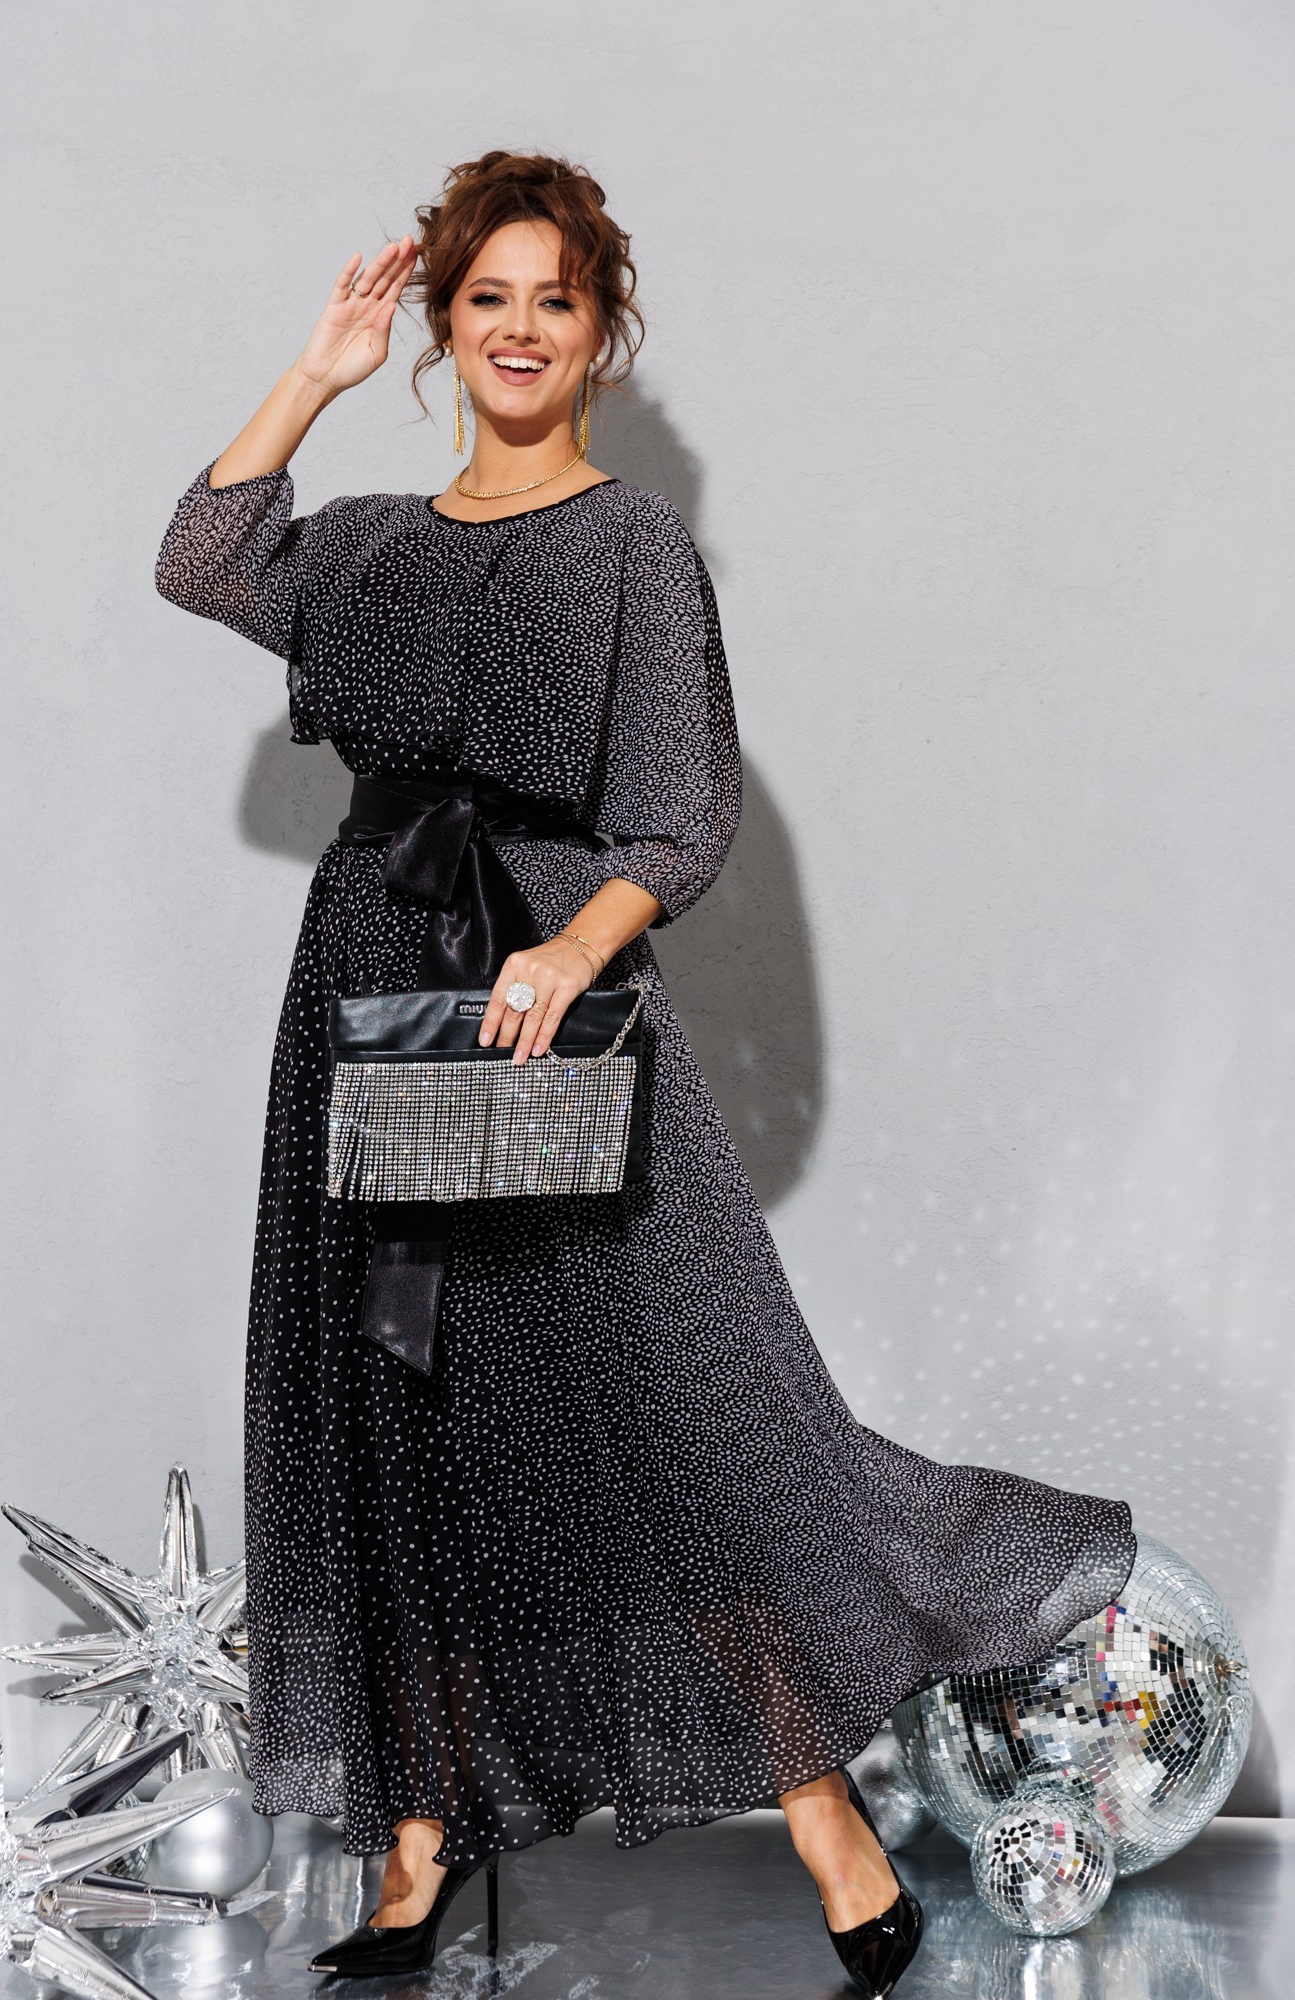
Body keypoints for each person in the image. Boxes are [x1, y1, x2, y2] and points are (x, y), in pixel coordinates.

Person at [154, 150, 1135, 1995]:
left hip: (547, 993)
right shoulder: (363, 543)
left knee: (656, 1414)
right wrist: (315, 371)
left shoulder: (629, 548)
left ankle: (823, 1814)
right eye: (485, 299)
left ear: (601, 329)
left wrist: (567, 945)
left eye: (556, 298)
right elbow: (200, 557)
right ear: (445, 326)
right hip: (372, 985)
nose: (519, 330)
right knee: (401, 1408)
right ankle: (418, 1838)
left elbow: (680, 814)